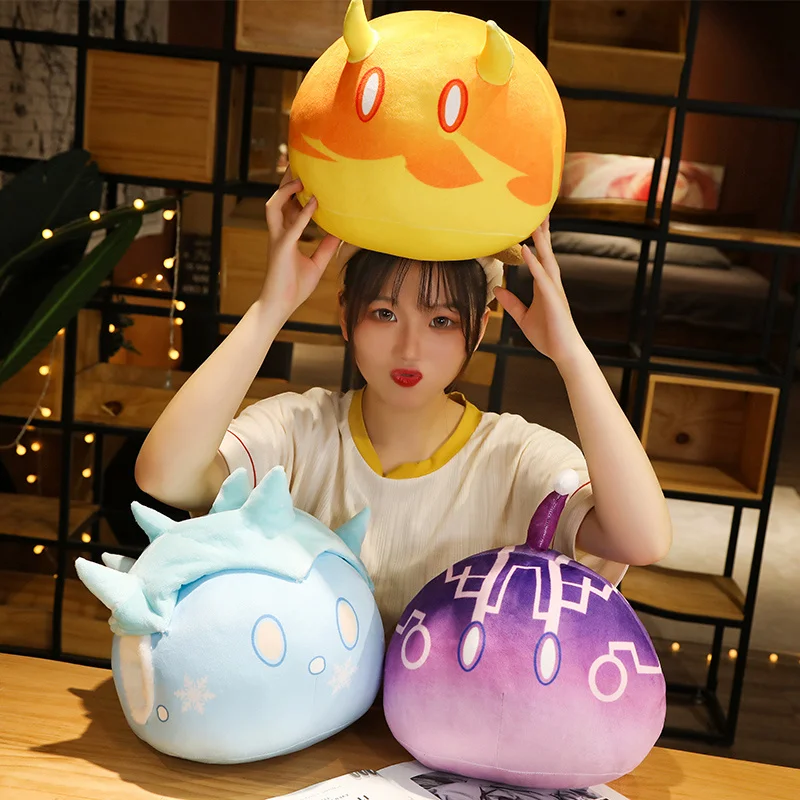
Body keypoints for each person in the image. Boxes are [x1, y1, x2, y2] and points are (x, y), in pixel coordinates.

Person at [135, 169, 672, 636]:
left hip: (455, 724)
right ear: (346, 316)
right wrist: (269, 309)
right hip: (295, 718)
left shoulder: (517, 457)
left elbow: (642, 539)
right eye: (385, 314)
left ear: (480, 328)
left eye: (441, 320)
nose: (409, 348)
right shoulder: (298, 430)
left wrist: (572, 355)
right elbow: (165, 476)